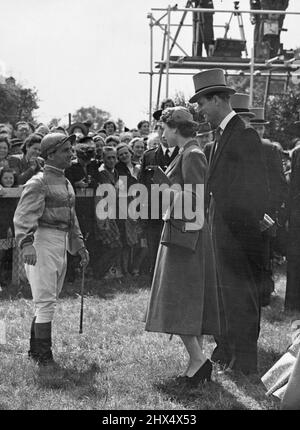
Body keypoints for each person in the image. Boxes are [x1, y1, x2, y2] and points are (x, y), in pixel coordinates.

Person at [190, 68, 268, 375]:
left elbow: (257, 190)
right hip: (223, 233)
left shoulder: (244, 135)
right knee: (227, 296)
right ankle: (231, 352)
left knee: (243, 298)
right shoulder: (221, 137)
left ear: (218, 100)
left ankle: (246, 361)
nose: (200, 111)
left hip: (238, 235)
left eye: (202, 104)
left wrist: (240, 231)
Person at [145, 107, 220, 385]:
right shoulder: (186, 153)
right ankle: (195, 363)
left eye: (164, 128)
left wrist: (166, 192)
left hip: (185, 236)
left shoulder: (192, 154)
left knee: (181, 300)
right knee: (186, 299)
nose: (162, 133)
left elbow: (195, 199)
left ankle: (199, 361)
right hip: (183, 232)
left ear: (175, 128)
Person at [13, 133, 89, 366]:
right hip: (41, 240)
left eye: (71, 149)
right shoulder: (38, 181)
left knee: (48, 299)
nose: (71, 154)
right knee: (45, 301)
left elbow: (72, 217)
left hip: (60, 241)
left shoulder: (65, 182)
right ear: (51, 154)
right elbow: (24, 215)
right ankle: (44, 356)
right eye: (66, 150)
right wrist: (26, 244)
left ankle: (35, 351)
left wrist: (80, 245)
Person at [250, 108, 288, 306]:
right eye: (254, 126)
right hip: (245, 211)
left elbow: (280, 184)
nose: (258, 131)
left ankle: (263, 294)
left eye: (261, 128)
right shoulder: (238, 147)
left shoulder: (270, 149)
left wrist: (270, 211)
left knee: (264, 254)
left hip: (265, 212)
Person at [139, 111, 179, 277]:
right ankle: (155, 280)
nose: (164, 134)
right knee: (154, 249)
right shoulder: (149, 156)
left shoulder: (183, 154)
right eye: (161, 129)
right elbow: (141, 185)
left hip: (176, 211)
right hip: (153, 213)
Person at [95, 146, 123, 280]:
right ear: (103, 159)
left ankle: (103, 272)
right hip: (103, 212)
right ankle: (99, 272)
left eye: (114, 157)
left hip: (113, 212)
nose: (112, 160)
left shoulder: (115, 172)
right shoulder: (101, 173)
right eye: (108, 158)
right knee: (113, 245)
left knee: (114, 245)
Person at [285, 122, 300, 312]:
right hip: (298, 212)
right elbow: (292, 187)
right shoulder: (297, 152)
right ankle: (292, 301)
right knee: (295, 257)